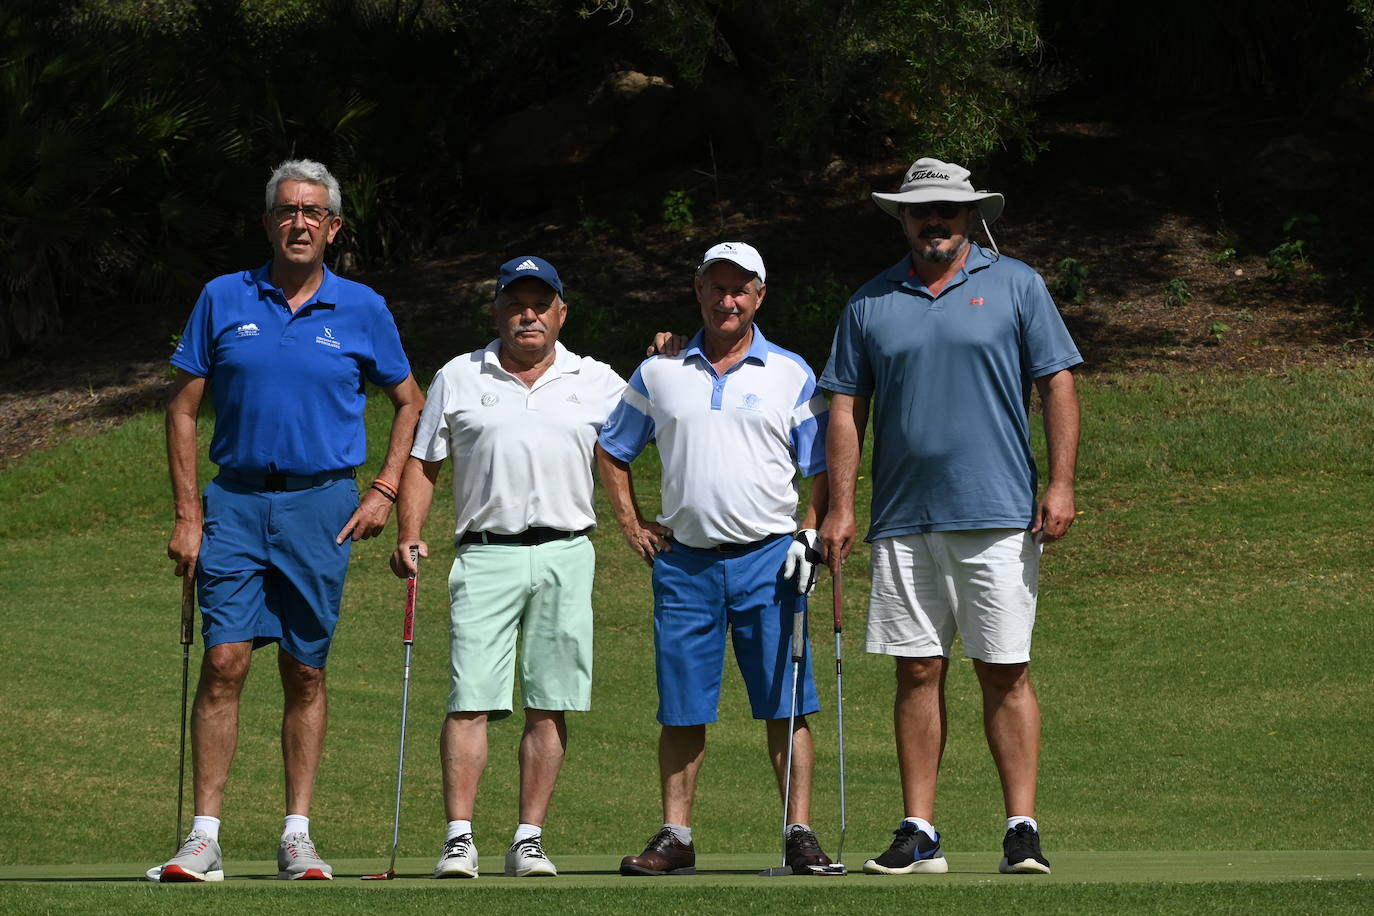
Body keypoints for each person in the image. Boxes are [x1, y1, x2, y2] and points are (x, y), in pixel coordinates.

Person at [152, 159, 424, 882]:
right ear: (268, 221)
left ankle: (296, 834)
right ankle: (203, 838)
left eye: (314, 212)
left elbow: (410, 400)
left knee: (306, 669)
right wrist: (188, 514)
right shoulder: (222, 297)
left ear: (333, 227)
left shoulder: (362, 307)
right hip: (236, 502)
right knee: (224, 661)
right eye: (287, 210)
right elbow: (182, 410)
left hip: (321, 506)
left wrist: (386, 489)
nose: (299, 222)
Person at [818, 157, 1081, 876]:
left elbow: (1056, 382)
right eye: (920, 211)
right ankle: (920, 831)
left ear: (971, 217)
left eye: (948, 211)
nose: (934, 221)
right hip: (904, 517)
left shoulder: (1017, 285)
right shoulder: (871, 301)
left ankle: (1021, 828)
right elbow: (845, 406)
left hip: (996, 512)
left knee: (1004, 671)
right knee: (917, 672)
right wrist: (840, 506)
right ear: (902, 218)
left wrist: (1060, 482)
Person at [597, 242, 834, 877]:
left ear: (759, 295)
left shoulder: (790, 371)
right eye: (716, 286)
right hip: (685, 564)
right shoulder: (659, 370)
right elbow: (613, 449)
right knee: (682, 706)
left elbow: (821, 466)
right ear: (698, 290)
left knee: (786, 704)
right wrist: (630, 522)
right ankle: (676, 836)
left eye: (740, 288)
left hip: (770, 561)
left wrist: (810, 533)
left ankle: (799, 833)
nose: (727, 299)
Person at [391, 255, 626, 879]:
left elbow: (660, 421)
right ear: (496, 311)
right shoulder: (459, 375)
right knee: (470, 697)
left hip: (567, 551)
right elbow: (424, 462)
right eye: (516, 303)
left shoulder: (596, 378)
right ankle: (459, 838)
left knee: (550, 702)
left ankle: (528, 838)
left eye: (540, 303)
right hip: (485, 553)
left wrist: (671, 349)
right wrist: (409, 533)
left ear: (561, 312)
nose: (529, 314)